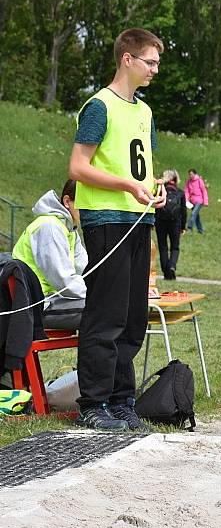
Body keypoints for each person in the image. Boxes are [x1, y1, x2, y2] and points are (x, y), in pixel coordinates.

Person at [68, 27, 165, 431]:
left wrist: (155, 191)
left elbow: (140, 164)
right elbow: (78, 168)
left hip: (139, 220)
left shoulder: (143, 111)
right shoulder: (99, 106)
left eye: (158, 63)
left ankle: (123, 399)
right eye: (150, 62)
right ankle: (94, 403)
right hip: (106, 219)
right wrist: (127, 185)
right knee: (105, 315)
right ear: (127, 59)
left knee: (132, 316)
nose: (155, 70)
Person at [11, 180, 87, 330]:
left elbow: (86, 269)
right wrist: (102, 294)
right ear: (67, 201)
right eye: (86, 204)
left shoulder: (70, 229)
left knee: (110, 305)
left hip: (51, 299)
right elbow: (63, 281)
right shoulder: (50, 227)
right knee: (104, 309)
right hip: (37, 305)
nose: (92, 211)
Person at [155, 169, 186, 279]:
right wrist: (183, 226)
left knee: (163, 247)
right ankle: (172, 266)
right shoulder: (180, 192)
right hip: (175, 223)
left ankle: (165, 271)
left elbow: (154, 206)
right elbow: (183, 210)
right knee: (175, 247)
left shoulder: (159, 191)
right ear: (175, 179)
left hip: (160, 221)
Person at [185, 168, 208, 234]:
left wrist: (205, 201)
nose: (190, 176)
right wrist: (186, 199)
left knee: (193, 214)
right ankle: (201, 230)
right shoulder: (188, 182)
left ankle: (189, 228)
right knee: (196, 216)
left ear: (195, 174)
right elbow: (186, 191)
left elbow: (204, 191)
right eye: (189, 174)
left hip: (199, 201)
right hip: (192, 201)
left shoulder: (199, 181)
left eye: (191, 174)